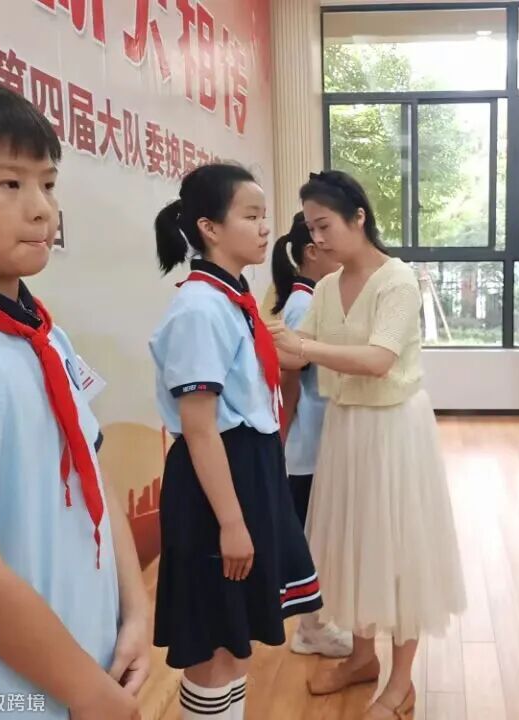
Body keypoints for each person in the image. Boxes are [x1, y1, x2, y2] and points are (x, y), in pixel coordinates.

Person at [0, 72, 148, 719]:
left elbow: (93, 471)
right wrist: (89, 693)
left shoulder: (41, 331)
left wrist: (135, 610)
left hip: (85, 670)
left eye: (48, 184)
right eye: (9, 184)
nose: (43, 209)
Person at [269, 170, 465, 720]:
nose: (317, 239)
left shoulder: (397, 281)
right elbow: (297, 355)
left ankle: (401, 684)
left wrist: (302, 345)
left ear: (359, 218)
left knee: (398, 550)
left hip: (394, 428)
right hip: (347, 425)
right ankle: (362, 658)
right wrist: (256, 333)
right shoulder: (326, 287)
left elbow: (379, 360)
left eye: (324, 225)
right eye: (310, 229)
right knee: (356, 546)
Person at [150, 164, 322, 719]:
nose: (265, 227)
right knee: (214, 642)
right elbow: (199, 426)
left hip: (247, 468)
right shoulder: (200, 308)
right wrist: (231, 522)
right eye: (251, 216)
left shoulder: (231, 298)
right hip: (218, 482)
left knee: (235, 636)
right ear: (209, 227)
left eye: (264, 215)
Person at [270, 211, 352, 659]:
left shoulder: (313, 299)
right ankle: (310, 628)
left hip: (317, 441)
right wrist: (282, 436)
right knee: (312, 538)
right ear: (310, 252)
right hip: (307, 445)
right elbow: (289, 380)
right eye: (326, 241)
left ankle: (316, 622)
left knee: (318, 534)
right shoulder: (304, 304)